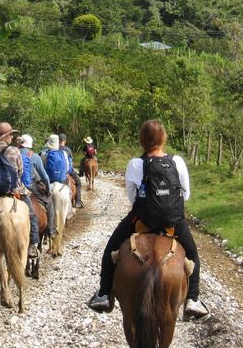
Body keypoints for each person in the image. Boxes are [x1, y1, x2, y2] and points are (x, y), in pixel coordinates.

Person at [87, 119, 209, 318]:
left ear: (142, 140)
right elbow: (185, 195)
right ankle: (193, 299)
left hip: (141, 220)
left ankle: (103, 294)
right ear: (164, 138)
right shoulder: (177, 161)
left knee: (110, 249)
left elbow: (132, 197)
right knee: (193, 256)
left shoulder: (136, 164)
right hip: (173, 222)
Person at [0, 122, 39, 260]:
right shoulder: (14, 151)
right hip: (15, 191)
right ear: (5, 136)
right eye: (11, 134)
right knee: (32, 214)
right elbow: (20, 171)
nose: (12, 137)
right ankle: (33, 245)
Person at [18, 134, 58, 238]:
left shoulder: (12, 152)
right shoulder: (34, 156)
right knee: (49, 202)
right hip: (29, 185)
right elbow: (44, 176)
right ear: (30, 144)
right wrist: (48, 189)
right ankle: (51, 230)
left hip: (14, 185)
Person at [59, 133, 84, 208]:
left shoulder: (54, 149)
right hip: (67, 171)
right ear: (65, 140)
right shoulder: (67, 150)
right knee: (78, 183)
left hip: (55, 173)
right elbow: (70, 163)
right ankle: (78, 201)